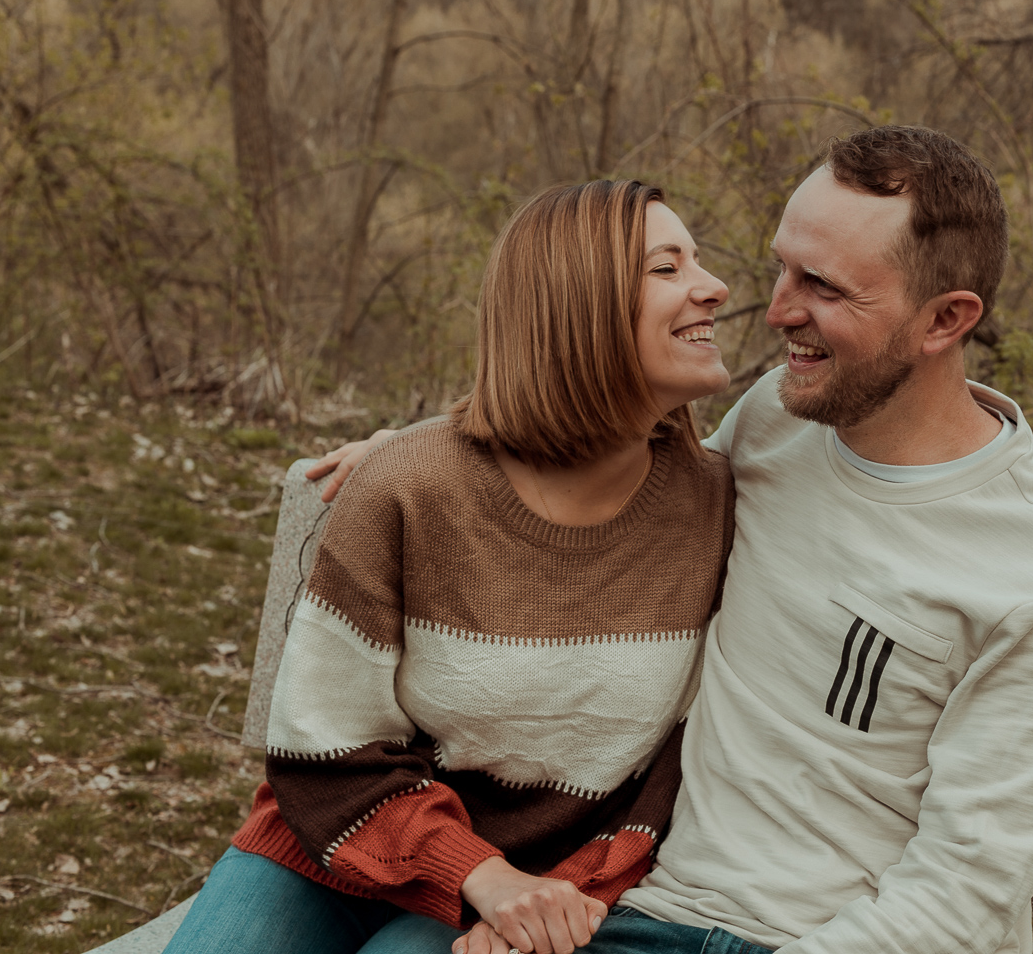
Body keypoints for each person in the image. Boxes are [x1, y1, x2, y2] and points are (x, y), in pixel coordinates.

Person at [317, 126, 1033, 954]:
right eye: (784, 265)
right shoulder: (783, 416)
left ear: (945, 319)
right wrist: (439, 458)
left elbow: (963, 896)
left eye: (825, 287)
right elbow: (619, 473)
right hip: (638, 905)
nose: (776, 310)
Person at [163, 179, 738, 954]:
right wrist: (479, 874)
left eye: (695, 262)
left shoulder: (721, 508)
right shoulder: (411, 488)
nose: (715, 287)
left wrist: (558, 899)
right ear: (576, 307)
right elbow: (324, 747)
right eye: (667, 268)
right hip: (335, 844)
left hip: (536, 889)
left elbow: (671, 775)